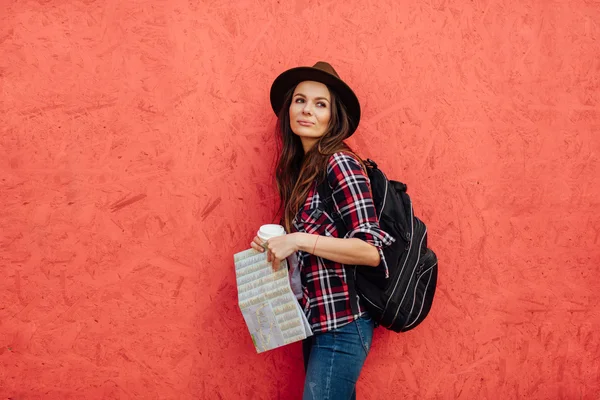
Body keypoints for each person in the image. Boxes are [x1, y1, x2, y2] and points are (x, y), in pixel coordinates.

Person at [250, 61, 395, 400]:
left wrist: (298, 239)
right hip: (315, 324)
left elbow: (370, 250)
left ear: (333, 117)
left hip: (344, 324)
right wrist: (275, 247)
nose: (307, 111)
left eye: (320, 104)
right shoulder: (301, 175)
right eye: (300, 100)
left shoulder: (339, 163)